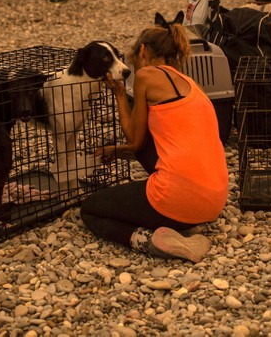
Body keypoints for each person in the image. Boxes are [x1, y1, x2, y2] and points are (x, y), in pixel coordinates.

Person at [79, 16, 228, 263]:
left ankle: (149, 242)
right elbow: (153, 143)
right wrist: (117, 151)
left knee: (90, 210)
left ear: (143, 50)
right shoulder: (191, 84)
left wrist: (119, 96)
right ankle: (178, 226)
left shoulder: (147, 75)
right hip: (213, 202)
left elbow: (135, 141)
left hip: (177, 198)